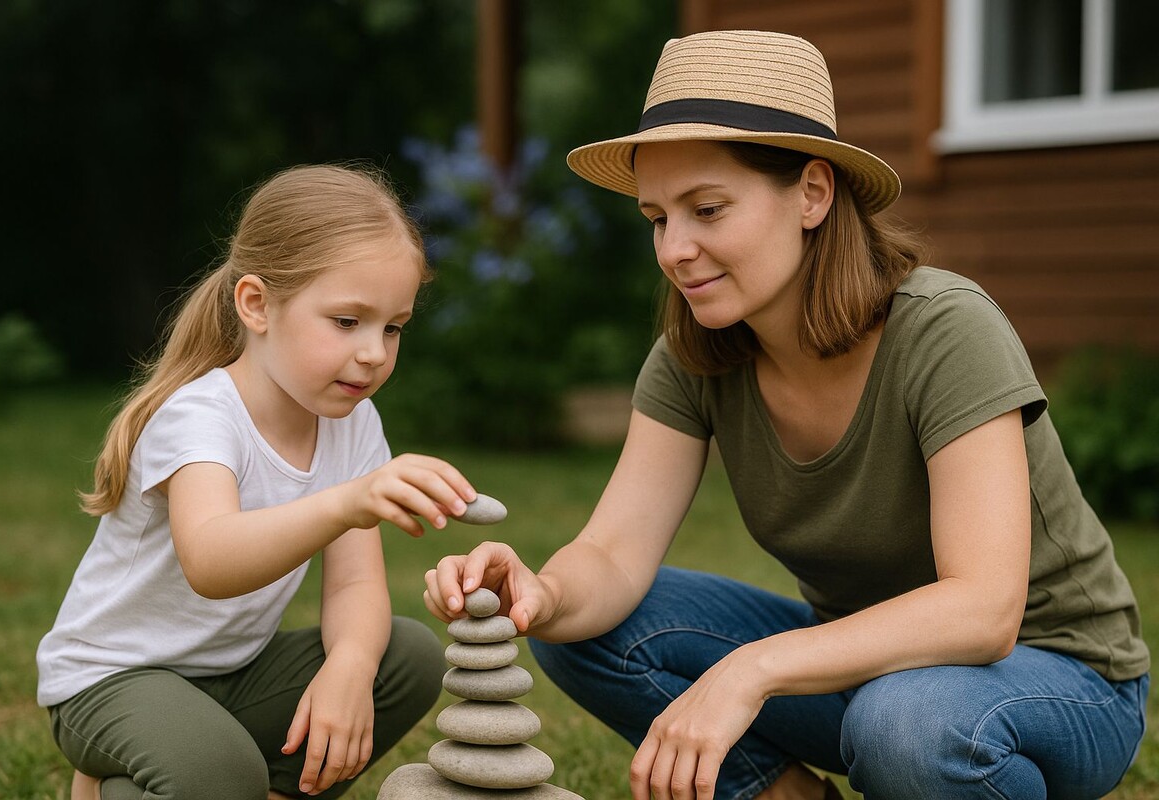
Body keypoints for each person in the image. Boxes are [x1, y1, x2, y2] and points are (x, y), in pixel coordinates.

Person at [424, 30, 1150, 800]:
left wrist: (753, 668)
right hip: (864, 671)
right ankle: (783, 793)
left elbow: (984, 610)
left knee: (904, 722)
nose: (675, 249)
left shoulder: (945, 330)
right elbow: (610, 555)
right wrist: (541, 593)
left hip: (1054, 680)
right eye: (658, 219)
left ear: (812, 193)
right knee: (587, 630)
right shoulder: (694, 354)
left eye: (707, 209)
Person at [37, 164, 483, 800]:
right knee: (219, 775)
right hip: (112, 679)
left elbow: (356, 583)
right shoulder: (202, 416)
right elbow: (212, 561)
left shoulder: (352, 422)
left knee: (403, 656)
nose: (375, 353)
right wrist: (349, 501)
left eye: (393, 327)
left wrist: (351, 669)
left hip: (235, 675)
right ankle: (146, 771)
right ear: (256, 305)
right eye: (347, 321)